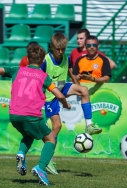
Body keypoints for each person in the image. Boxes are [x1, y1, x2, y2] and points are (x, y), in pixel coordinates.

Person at [0, 44, 71, 186]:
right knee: (50, 140)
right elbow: (58, 94)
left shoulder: (17, 70)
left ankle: (21, 152)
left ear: (27, 59)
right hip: (32, 116)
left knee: (29, 135)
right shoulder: (44, 77)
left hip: (14, 115)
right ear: (43, 61)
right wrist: (65, 104)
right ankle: (41, 168)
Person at [41, 33, 102, 175]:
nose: (60, 52)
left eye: (63, 49)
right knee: (57, 126)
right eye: (58, 49)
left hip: (61, 88)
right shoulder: (45, 61)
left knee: (84, 90)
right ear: (52, 47)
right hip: (49, 97)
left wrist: (78, 87)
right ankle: (48, 160)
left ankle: (89, 125)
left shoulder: (66, 58)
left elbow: (70, 72)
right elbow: (38, 81)